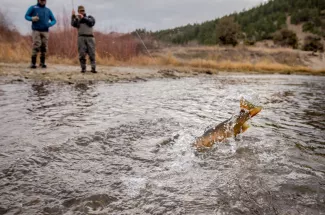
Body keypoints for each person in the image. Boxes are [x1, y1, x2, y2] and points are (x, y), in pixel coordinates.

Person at [25, 0, 56, 69]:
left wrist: (50, 24)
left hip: (45, 31)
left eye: (44, 0)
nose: (43, 1)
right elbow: (26, 16)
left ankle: (42, 63)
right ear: (38, 0)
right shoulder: (33, 7)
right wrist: (32, 18)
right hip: (36, 30)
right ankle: (33, 63)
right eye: (41, 0)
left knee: (44, 46)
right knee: (37, 44)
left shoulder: (48, 10)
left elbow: (54, 20)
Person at [71, 5, 97, 73]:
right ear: (78, 11)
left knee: (92, 53)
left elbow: (91, 23)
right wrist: (73, 16)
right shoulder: (77, 19)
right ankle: (83, 68)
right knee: (82, 54)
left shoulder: (90, 17)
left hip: (90, 38)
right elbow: (73, 24)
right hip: (81, 38)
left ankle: (93, 68)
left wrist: (83, 18)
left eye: (83, 10)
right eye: (80, 11)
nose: (82, 12)